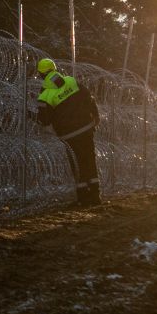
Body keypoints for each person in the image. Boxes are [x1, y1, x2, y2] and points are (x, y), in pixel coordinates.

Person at [32, 58, 102, 207]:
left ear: (41, 74)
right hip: (86, 128)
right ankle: (95, 196)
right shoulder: (71, 81)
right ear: (54, 69)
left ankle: (83, 197)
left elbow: (44, 121)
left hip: (69, 135)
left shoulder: (45, 94)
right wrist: (96, 117)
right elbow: (89, 97)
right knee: (89, 161)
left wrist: (31, 115)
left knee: (77, 164)